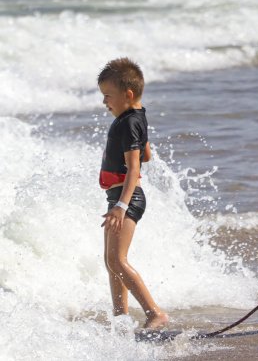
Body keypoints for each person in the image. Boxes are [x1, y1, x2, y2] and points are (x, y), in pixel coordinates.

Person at [97, 58, 169, 331]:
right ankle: (120, 317)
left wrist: (121, 206)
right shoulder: (135, 117)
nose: (105, 103)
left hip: (126, 199)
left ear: (127, 95)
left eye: (108, 96)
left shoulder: (128, 122)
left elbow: (135, 167)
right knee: (110, 260)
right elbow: (146, 154)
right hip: (119, 199)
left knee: (117, 260)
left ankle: (155, 313)